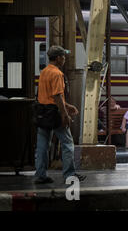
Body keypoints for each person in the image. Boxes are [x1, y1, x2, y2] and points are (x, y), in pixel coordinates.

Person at [34, 45, 86, 184]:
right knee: (68, 143)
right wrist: (64, 114)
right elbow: (56, 96)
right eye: (63, 57)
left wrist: (68, 106)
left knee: (42, 146)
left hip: (42, 112)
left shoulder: (44, 72)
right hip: (54, 113)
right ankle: (69, 175)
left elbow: (49, 95)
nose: (64, 59)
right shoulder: (57, 73)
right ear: (58, 58)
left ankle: (40, 175)